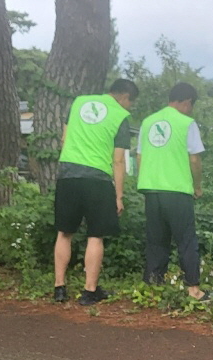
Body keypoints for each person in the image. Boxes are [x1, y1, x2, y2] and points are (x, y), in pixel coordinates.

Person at [52, 79, 138, 306]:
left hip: (68, 174)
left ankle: (59, 288)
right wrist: (119, 195)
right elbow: (118, 160)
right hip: (97, 178)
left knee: (64, 232)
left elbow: (64, 139)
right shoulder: (120, 116)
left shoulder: (79, 102)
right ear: (125, 97)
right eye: (131, 102)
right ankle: (89, 291)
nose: (129, 107)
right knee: (95, 235)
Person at [136, 82, 212, 300]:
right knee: (186, 240)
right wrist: (197, 186)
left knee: (156, 241)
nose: (191, 110)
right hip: (177, 190)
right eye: (192, 105)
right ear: (187, 102)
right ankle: (193, 290)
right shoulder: (187, 123)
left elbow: (139, 156)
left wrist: (149, 178)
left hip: (151, 190)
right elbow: (195, 159)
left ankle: (153, 287)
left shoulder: (148, 122)